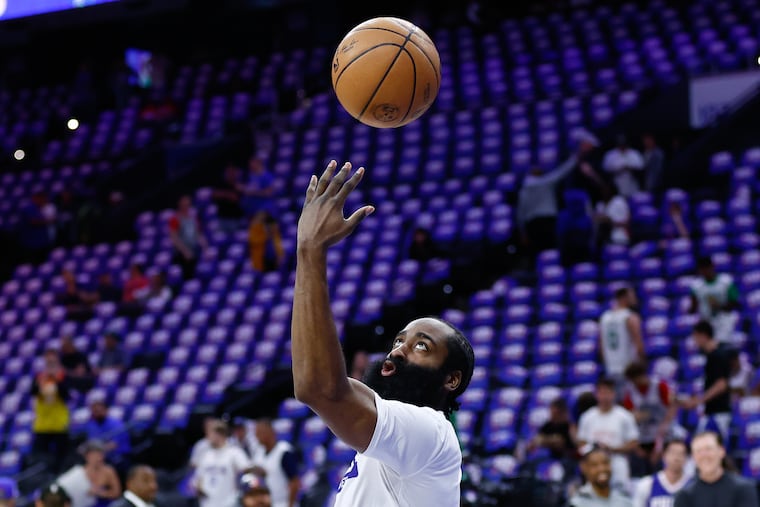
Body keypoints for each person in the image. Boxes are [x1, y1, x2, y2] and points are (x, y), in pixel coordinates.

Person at [291, 161, 475, 506]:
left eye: (422, 345)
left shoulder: (431, 434)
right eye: (399, 340)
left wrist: (310, 251)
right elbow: (327, 383)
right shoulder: (389, 442)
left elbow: (319, 388)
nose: (399, 350)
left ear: (450, 379)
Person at [577, 378, 640, 492]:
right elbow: (582, 443)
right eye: (602, 393)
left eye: (608, 393)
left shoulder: (624, 416)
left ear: (613, 394)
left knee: (620, 494)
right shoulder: (587, 417)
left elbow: (634, 443)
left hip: (617, 461)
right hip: (594, 464)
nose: (605, 396)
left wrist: (613, 449)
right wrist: (594, 449)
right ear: (597, 394)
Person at [517, 153, 585, 254]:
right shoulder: (546, 181)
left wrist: (523, 233)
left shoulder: (523, 189)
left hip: (532, 224)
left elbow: (520, 213)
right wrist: (576, 156)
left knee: (538, 253)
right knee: (550, 251)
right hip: (547, 221)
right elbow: (562, 171)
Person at [679, 321, 733, 442]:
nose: (694, 341)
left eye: (695, 336)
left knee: (715, 445)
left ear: (703, 335)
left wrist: (699, 401)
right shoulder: (711, 355)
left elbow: (721, 385)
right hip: (712, 412)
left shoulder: (718, 355)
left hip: (719, 413)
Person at [674, 432, 758, 507]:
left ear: (722, 451)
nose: (704, 455)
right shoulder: (684, 496)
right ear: (693, 457)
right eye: (698, 451)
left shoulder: (743, 489)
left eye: (708, 449)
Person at [622, 362, 680, 471]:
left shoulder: (660, 386)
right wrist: (636, 416)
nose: (634, 383)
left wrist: (665, 424)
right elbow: (629, 415)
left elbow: (672, 406)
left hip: (664, 434)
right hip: (644, 436)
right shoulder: (630, 391)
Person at [193, 421, 252, 507]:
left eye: (210, 433)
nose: (208, 437)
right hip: (208, 503)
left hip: (228, 502)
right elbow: (198, 478)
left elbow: (247, 470)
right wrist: (198, 487)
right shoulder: (205, 455)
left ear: (219, 433)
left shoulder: (234, 452)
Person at [599, 287, 645, 395]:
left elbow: (600, 348)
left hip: (611, 367)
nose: (635, 299)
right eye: (632, 297)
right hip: (628, 368)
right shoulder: (630, 317)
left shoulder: (604, 317)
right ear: (624, 298)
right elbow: (638, 343)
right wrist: (642, 362)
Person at [32, 349, 72, 471]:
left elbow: (66, 395)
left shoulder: (63, 376)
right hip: (42, 424)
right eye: (48, 361)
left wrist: (56, 379)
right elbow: (32, 392)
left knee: (62, 456)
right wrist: (41, 381)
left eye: (52, 361)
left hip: (59, 423)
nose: (50, 363)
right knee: (40, 456)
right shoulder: (39, 377)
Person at [688, 256, 740, 344]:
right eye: (702, 269)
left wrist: (719, 306)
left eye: (707, 268)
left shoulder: (726, 281)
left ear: (712, 267)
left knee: (722, 345)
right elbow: (693, 306)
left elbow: (735, 302)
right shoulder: (696, 286)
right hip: (707, 321)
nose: (705, 271)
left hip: (725, 320)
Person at [56, 441, 122, 507]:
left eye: (101, 454)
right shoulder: (77, 473)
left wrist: (100, 493)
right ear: (87, 456)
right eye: (95, 455)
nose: (99, 458)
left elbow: (117, 493)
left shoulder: (109, 471)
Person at [250, 419, 299, 507]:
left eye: (259, 433)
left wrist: (290, 505)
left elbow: (294, 482)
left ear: (270, 432)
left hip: (284, 503)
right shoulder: (258, 452)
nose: (256, 436)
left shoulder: (284, 451)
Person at [632, 439, 691, 507]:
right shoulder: (647, 484)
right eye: (673, 453)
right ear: (664, 455)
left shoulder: (693, 486)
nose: (676, 457)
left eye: (681, 454)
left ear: (687, 458)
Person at [168, 195, 208, 281]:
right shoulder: (175, 219)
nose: (186, 205)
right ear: (179, 204)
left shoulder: (193, 217)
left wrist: (205, 248)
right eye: (184, 203)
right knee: (187, 276)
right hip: (182, 254)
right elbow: (174, 238)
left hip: (194, 250)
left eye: (188, 203)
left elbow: (198, 233)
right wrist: (185, 251)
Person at [83, 401, 131, 467]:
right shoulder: (92, 425)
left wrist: (97, 450)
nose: (97, 413)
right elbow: (92, 442)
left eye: (99, 410)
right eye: (95, 411)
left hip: (120, 455)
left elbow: (114, 444)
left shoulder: (116, 423)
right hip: (102, 457)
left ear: (106, 410)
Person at [212, 163, 244, 232]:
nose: (230, 174)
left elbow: (235, 198)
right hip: (222, 217)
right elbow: (214, 194)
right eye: (228, 172)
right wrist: (227, 194)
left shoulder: (239, 184)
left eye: (232, 172)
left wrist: (222, 194)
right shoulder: (221, 183)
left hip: (234, 219)